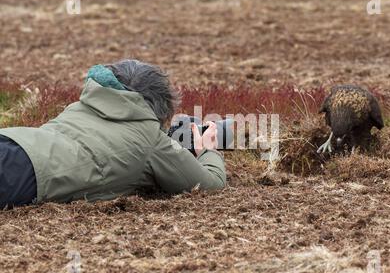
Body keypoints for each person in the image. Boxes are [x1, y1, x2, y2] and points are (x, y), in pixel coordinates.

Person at [0, 59, 226, 208]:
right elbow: (210, 184)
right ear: (160, 104)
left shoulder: (79, 107)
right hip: (22, 173)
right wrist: (208, 150)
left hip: (12, 140)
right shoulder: (151, 140)